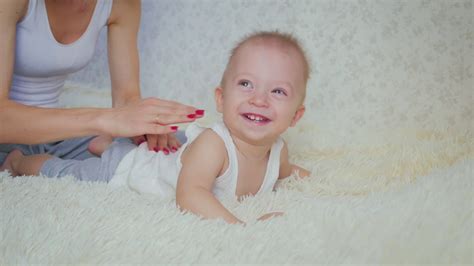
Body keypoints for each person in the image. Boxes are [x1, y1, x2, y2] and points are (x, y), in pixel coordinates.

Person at [1, 31, 311, 224]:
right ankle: (20, 161)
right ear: (220, 98)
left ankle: (105, 145)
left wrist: (302, 175)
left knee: (158, 149)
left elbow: (284, 170)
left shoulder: (278, 149)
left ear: (295, 116)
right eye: (246, 84)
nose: (259, 99)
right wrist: (240, 227)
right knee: (68, 172)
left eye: (278, 92)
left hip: (157, 156)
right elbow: (190, 195)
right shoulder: (215, 146)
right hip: (130, 170)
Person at [0, 0, 201, 165]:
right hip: (7, 139)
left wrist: (147, 128)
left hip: (56, 138)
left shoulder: (123, 4)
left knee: (182, 151)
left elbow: (126, 99)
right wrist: (103, 120)